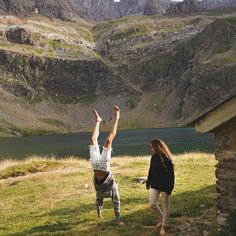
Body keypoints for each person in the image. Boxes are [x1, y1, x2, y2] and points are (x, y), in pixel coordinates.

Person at [89, 106, 124, 225]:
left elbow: (116, 201)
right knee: (97, 139)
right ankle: (98, 120)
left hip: (100, 166)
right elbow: (99, 198)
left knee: (106, 140)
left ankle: (116, 118)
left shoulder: (111, 188)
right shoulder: (99, 187)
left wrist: (117, 117)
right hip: (98, 166)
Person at [146, 139, 175, 235]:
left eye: (152, 147)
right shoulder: (154, 157)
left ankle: (163, 226)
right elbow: (151, 171)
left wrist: (170, 187)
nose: (151, 149)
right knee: (152, 204)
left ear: (157, 146)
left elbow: (171, 175)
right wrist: (148, 182)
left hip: (165, 186)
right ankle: (163, 218)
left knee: (165, 206)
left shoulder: (167, 158)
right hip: (155, 184)